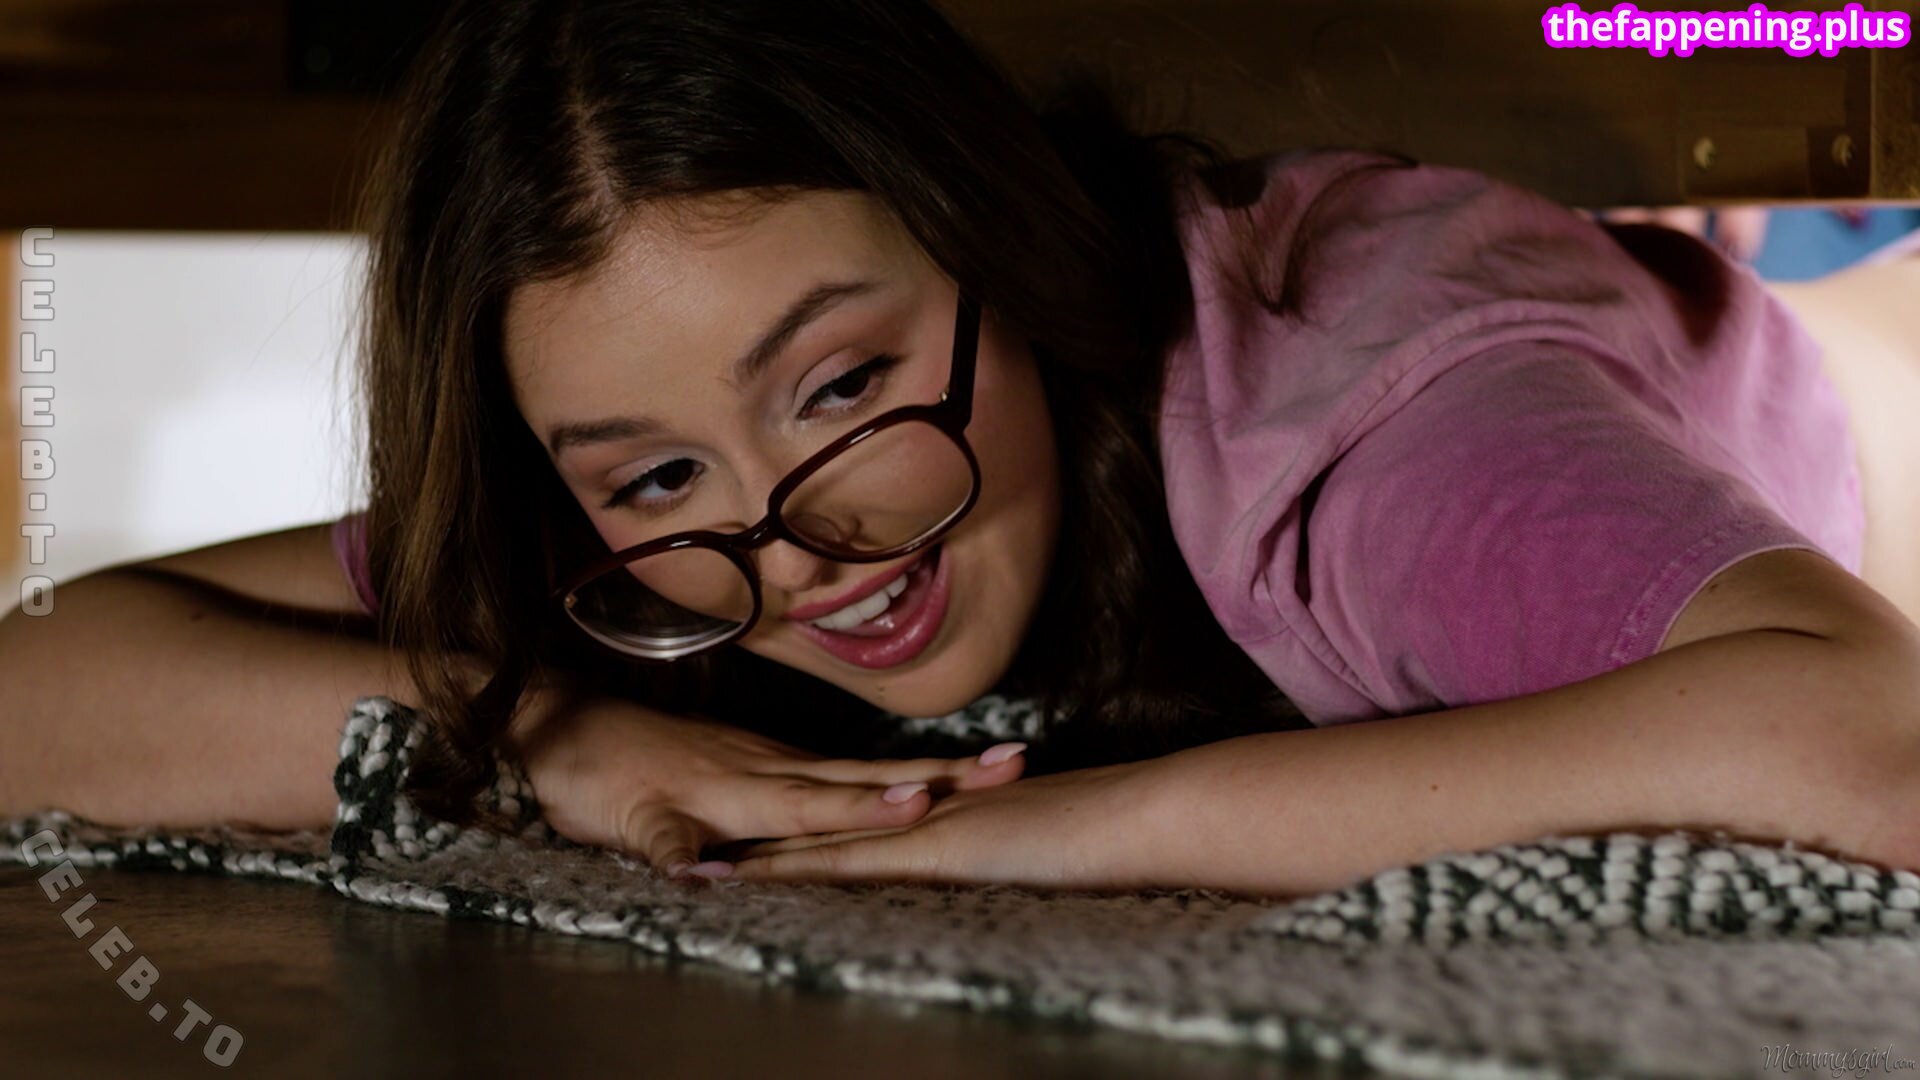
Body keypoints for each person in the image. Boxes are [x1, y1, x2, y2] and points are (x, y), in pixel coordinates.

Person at [5, 0, 1919, 900]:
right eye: (656, 474)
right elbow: (34, 683)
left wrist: (1083, 828)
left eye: (842, 385)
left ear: (1003, 243)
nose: (798, 550)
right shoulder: (638, 556)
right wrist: (550, 736)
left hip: (1819, 368)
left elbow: (1865, 738)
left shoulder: (1350, 442)